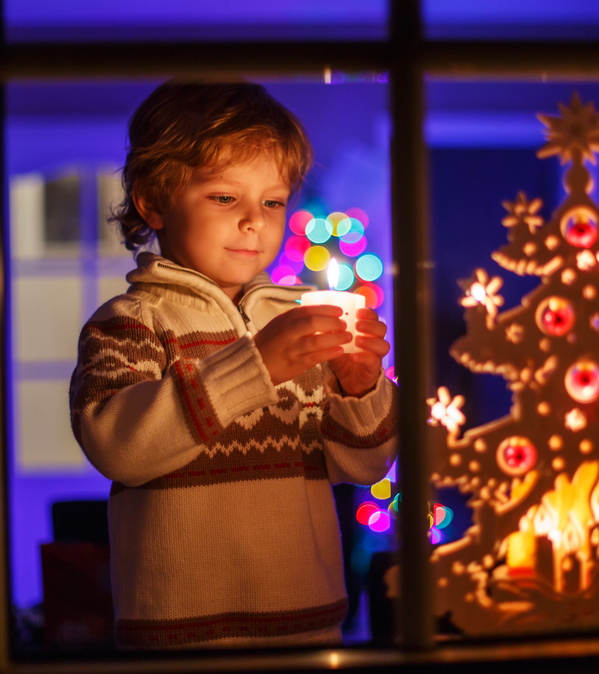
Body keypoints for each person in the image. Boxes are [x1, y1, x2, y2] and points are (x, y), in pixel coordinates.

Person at [69, 81, 397, 649]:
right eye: (225, 198)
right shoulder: (133, 321)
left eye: (272, 202)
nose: (255, 221)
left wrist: (361, 387)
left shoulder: (299, 317)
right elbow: (118, 447)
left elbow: (363, 465)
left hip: (309, 627)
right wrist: (257, 366)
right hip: (181, 638)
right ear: (152, 200)